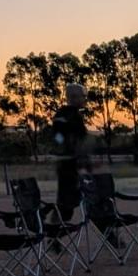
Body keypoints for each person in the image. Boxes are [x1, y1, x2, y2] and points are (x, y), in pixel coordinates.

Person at [50, 82, 89, 222]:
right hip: (69, 166)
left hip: (75, 164)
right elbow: (58, 137)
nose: (85, 99)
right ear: (72, 97)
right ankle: (53, 235)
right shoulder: (64, 115)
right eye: (83, 96)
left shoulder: (74, 115)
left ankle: (54, 234)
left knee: (69, 203)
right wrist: (67, 149)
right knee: (66, 204)